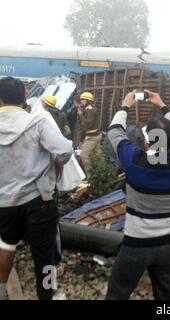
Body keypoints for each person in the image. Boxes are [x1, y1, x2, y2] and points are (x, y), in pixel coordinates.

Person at [106, 90, 170, 300]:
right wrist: (163, 105)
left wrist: (125, 105)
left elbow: (115, 132)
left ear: (148, 143)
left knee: (117, 292)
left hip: (137, 244)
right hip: (168, 243)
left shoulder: (135, 162)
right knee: (167, 294)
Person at [0, 77, 73, 300]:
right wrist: (55, 163)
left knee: (6, 245)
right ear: (24, 97)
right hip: (38, 201)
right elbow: (65, 150)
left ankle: (1, 290)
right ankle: (47, 294)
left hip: (5, 202)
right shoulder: (37, 122)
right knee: (45, 255)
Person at [76, 92, 101, 169]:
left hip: (92, 136)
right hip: (95, 135)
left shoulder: (90, 109)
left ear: (87, 100)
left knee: (83, 155)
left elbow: (88, 124)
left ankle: (91, 175)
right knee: (97, 156)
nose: (81, 101)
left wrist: (80, 114)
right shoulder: (89, 109)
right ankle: (101, 172)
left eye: (83, 99)